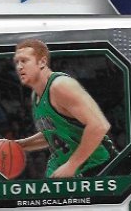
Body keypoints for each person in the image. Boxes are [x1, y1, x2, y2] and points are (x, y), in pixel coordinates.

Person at [12, 39, 116, 177]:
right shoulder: (36, 95)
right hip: (69, 169)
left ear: (42, 62)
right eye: (17, 62)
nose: (19, 67)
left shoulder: (60, 85)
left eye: (24, 61)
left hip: (98, 167)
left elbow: (99, 126)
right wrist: (22, 144)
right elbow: (55, 132)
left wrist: (72, 164)